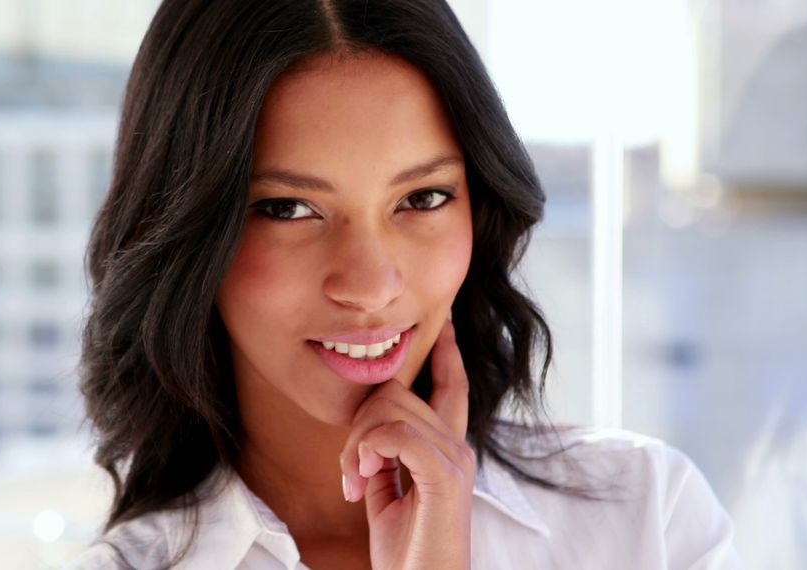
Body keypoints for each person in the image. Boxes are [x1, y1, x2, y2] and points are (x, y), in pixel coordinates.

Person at [65, 1, 744, 568]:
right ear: (188, 232)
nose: (370, 285)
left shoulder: (644, 516)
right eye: (288, 209)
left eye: (422, 198)